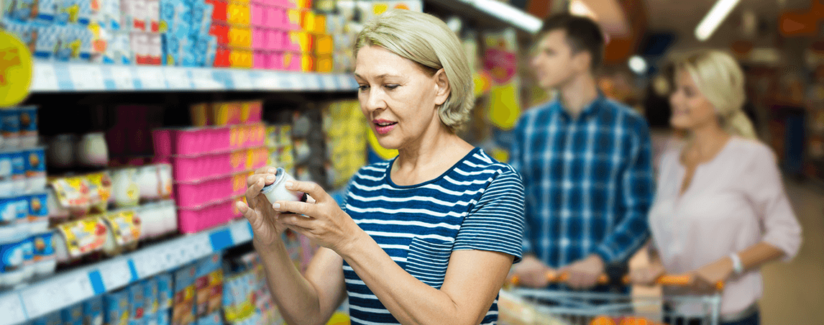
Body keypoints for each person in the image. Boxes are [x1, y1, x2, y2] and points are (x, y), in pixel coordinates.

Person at [236, 9, 526, 325]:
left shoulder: (493, 185)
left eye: (390, 85)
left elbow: (456, 320)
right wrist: (270, 245)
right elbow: (310, 314)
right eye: (363, 86)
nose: (371, 103)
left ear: (440, 86)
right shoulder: (366, 184)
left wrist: (349, 240)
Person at [630, 50, 803, 325]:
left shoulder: (751, 157)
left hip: (727, 316)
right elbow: (675, 235)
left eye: (689, 92)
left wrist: (729, 264)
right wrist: (658, 265)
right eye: (676, 90)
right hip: (673, 312)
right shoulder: (671, 160)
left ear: (718, 102)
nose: (674, 99)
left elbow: (786, 235)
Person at [509, 13, 655, 292]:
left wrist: (600, 258)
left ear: (582, 60)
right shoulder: (528, 125)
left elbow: (640, 210)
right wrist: (523, 255)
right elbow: (512, 202)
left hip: (604, 295)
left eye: (549, 52)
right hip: (536, 295)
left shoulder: (628, 126)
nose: (536, 61)